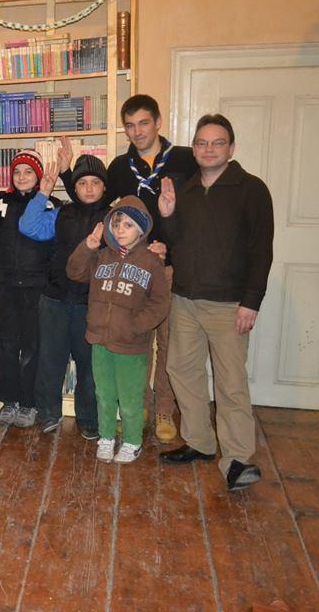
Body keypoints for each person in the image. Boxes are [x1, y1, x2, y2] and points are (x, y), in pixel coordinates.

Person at [158, 114, 274, 492]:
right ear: (194, 148)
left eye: (217, 142)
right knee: (182, 371)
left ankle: (238, 460)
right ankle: (200, 442)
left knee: (230, 383)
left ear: (231, 148)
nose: (209, 149)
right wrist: (167, 214)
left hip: (229, 304)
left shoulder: (251, 189)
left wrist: (251, 302)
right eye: (202, 143)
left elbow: (262, 250)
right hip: (185, 299)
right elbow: (175, 241)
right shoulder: (187, 189)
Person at [106, 95, 198, 443]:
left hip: (173, 268)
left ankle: (164, 408)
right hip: (135, 270)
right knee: (137, 341)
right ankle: (137, 406)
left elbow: (198, 215)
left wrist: (169, 247)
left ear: (158, 122)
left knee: (171, 344)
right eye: (130, 125)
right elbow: (101, 208)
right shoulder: (119, 167)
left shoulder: (186, 160)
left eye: (143, 123)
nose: (137, 131)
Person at [67, 197, 170, 463]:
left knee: (130, 398)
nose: (120, 230)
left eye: (128, 225)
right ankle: (106, 437)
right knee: (104, 394)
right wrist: (88, 246)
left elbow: (160, 303)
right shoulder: (101, 257)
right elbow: (74, 271)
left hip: (131, 345)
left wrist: (134, 326)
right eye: (116, 224)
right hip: (100, 340)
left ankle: (133, 441)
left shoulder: (151, 262)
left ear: (141, 229)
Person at [18, 147, 109, 440]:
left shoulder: (113, 218)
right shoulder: (62, 213)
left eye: (95, 182)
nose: (89, 188)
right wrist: (43, 192)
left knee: (90, 366)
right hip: (54, 299)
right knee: (50, 361)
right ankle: (48, 412)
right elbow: (29, 226)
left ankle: (89, 418)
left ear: (104, 187)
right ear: (74, 187)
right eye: (82, 182)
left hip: (92, 304)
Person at [0, 149, 60, 428]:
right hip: (6, 285)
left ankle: (29, 403)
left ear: (38, 175)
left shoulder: (51, 204)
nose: (22, 176)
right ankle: (9, 400)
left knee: (33, 345)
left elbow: (55, 249)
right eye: (17, 171)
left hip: (37, 287)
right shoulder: (0, 202)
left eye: (28, 171)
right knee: (6, 344)